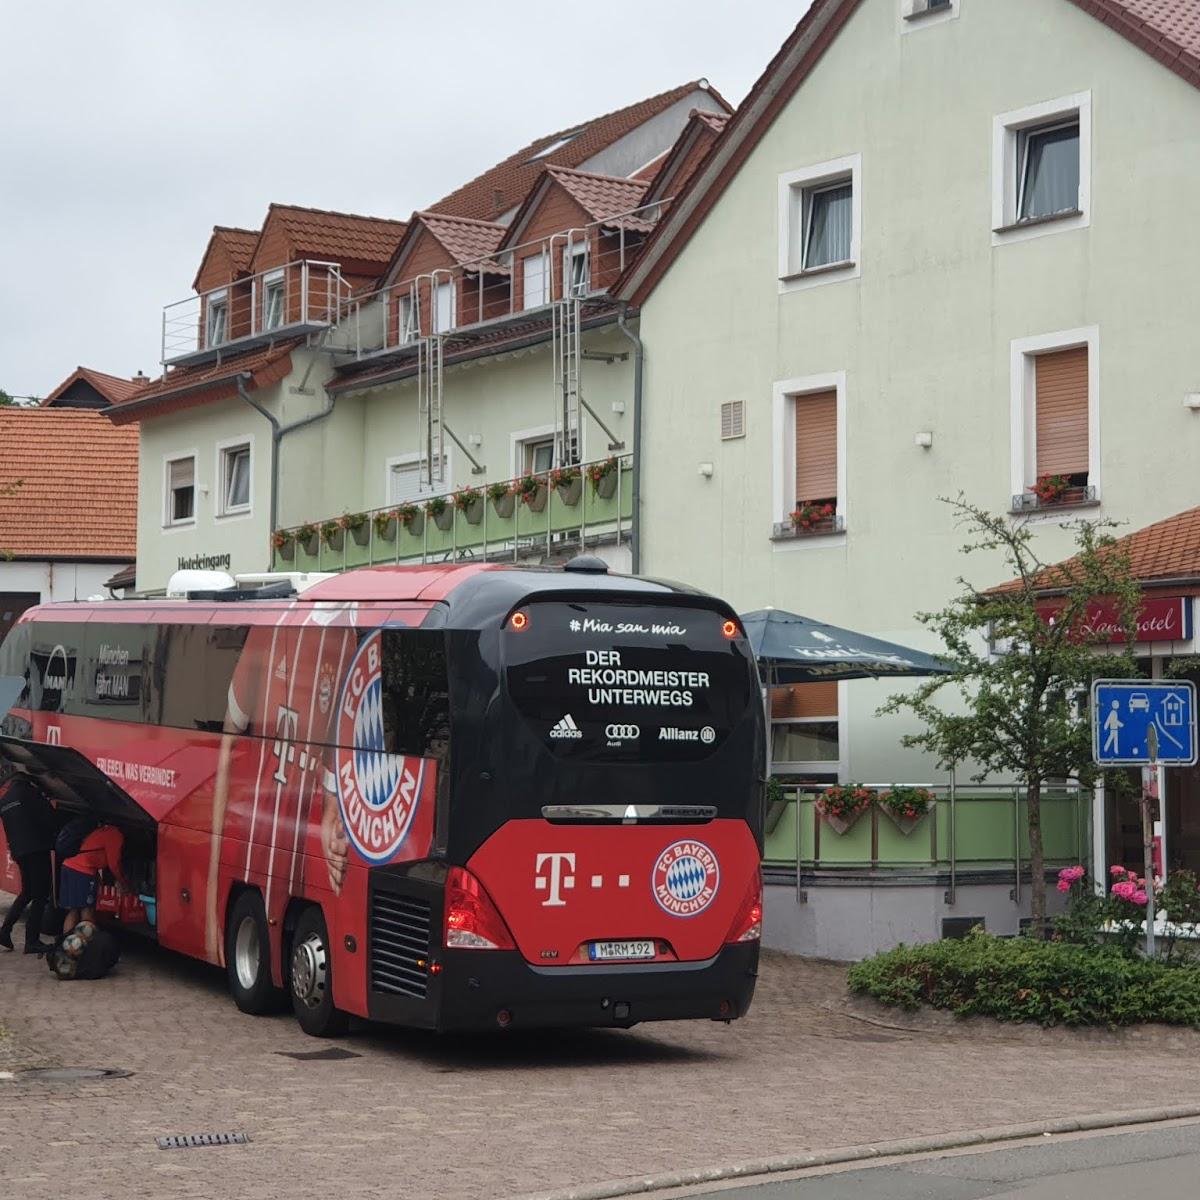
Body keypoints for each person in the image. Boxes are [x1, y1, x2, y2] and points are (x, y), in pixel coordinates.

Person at [0, 767, 56, 954]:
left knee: (27, 892)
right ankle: (32, 941)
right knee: (40, 896)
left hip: (19, 851)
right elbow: (49, 817)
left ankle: (5, 930)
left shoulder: (6, 799)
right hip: (37, 849)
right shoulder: (30, 794)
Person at [60, 823, 128, 934]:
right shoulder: (115, 835)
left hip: (68, 866)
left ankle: (68, 945)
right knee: (87, 911)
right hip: (83, 871)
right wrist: (122, 881)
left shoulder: (100, 830)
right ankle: (86, 946)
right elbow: (114, 863)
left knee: (73, 910)